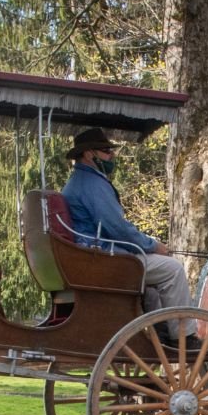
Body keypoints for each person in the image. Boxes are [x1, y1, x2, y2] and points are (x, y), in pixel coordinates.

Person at [61, 128, 190, 322]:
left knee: (153, 291)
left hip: (91, 256)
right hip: (102, 258)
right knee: (173, 269)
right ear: (89, 154)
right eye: (106, 150)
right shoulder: (92, 184)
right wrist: (153, 246)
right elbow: (117, 229)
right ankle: (184, 337)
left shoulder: (78, 182)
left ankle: (159, 336)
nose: (112, 155)